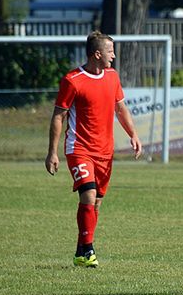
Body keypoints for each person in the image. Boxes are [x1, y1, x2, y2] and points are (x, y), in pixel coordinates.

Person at [45, 31, 142, 267]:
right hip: (79, 149)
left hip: (105, 152)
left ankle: (81, 248)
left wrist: (134, 135)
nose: (114, 55)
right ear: (97, 54)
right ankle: (88, 251)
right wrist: (52, 152)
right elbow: (59, 116)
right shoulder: (73, 80)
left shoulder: (112, 77)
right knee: (87, 194)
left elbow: (121, 109)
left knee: (96, 203)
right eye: (110, 51)